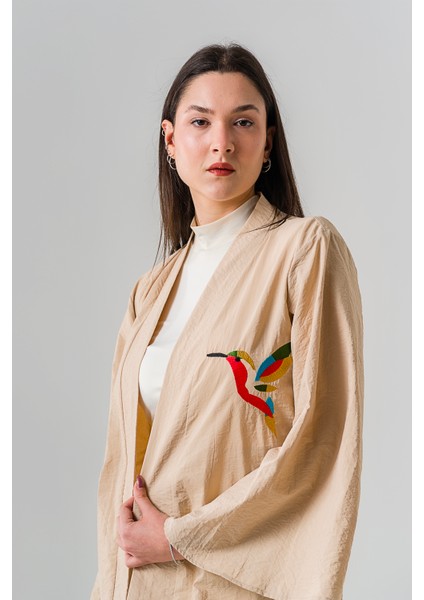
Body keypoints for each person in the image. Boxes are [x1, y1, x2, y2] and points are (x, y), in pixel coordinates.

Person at [91, 43, 364, 600]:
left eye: (243, 121)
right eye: (201, 122)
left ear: (268, 142)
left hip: (230, 584)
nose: (222, 142)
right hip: (140, 584)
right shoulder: (150, 291)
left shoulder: (304, 251)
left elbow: (322, 440)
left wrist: (180, 538)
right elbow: (122, 468)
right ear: (171, 141)